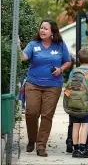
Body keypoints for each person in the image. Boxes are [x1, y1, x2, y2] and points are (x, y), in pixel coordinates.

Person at [18, 19, 72, 157]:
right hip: (33, 83)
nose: (42, 30)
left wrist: (60, 69)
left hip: (53, 86)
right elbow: (23, 57)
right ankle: (32, 139)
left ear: (52, 32)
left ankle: (41, 146)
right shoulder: (33, 45)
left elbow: (68, 61)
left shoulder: (59, 45)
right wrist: (18, 47)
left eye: (45, 28)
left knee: (47, 116)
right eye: (41, 28)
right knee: (31, 113)